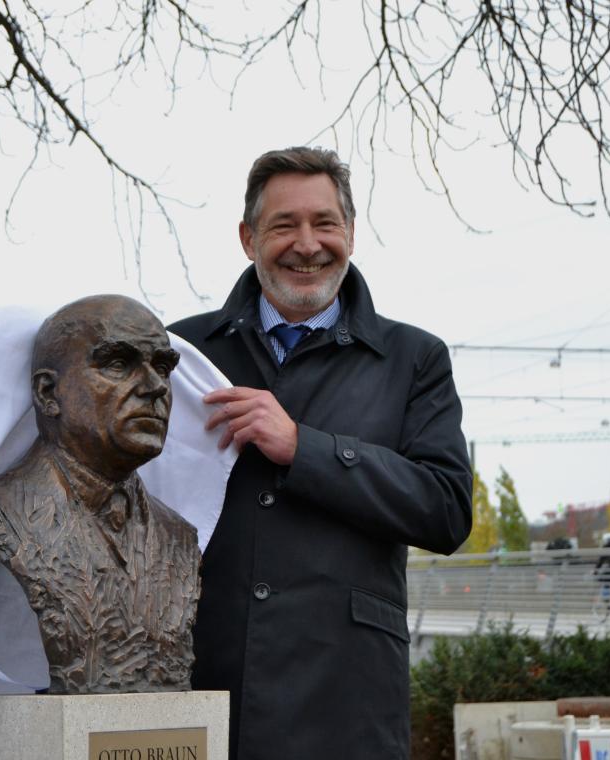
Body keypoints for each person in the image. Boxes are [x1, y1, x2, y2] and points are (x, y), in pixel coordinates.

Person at [167, 147, 472, 759]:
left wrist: (305, 448)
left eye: (324, 223)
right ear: (248, 237)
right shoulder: (180, 352)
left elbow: (446, 510)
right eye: (284, 225)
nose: (307, 243)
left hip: (348, 702)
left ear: (351, 234)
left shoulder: (415, 359)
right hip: (201, 687)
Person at [0, 295, 201, 694]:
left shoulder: (179, 538)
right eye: (117, 364)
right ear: (47, 393)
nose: (154, 386)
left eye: (162, 367)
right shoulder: (1, 514)